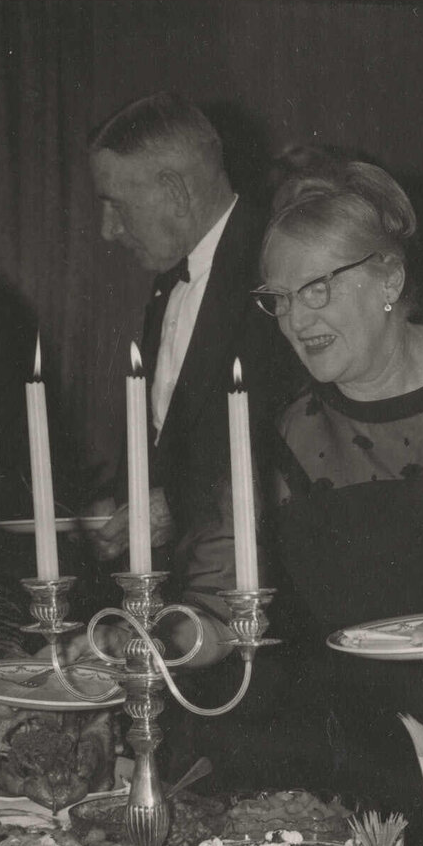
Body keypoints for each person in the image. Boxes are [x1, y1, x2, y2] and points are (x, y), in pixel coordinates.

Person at [249, 158, 423, 846]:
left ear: (389, 280)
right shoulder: (294, 432)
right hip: (367, 778)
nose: (294, 319)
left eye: (315, 289)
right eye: (279, 299)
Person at [84, 92, 302, 611]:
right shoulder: (170, 283)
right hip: (182, 596)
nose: (107, 230)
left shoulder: (280, 264)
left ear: (175, 192)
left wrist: (178, 505)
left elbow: (302, 443)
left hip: (264, 602)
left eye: (116, 204)